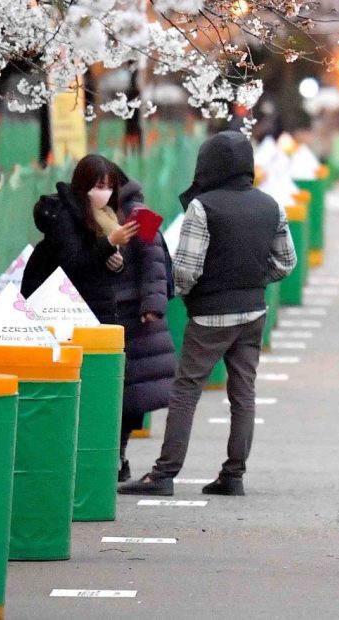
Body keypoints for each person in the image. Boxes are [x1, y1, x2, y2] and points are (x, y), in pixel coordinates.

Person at [121, 131, 296, 498]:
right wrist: (253, 281)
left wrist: (191, 295)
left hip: (209, 316)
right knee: (243, 392)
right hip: (253, 313)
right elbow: (287, 262)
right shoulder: (271, 206)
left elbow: (185, 271)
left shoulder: (203, 207)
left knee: (186, 391)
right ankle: (234, 475)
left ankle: (164, 472)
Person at [24, 154, 174, 481]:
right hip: (84, 313)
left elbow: (154, 262)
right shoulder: (72, 216)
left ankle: (116, 456)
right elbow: (74, 261)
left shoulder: (133, 214)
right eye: (97, 185)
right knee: (96, 392)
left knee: (126, 395)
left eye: (108, 186)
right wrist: (110, 245)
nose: (103, 192)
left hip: (126, 314)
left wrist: (152, 302)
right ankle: (98, 456)